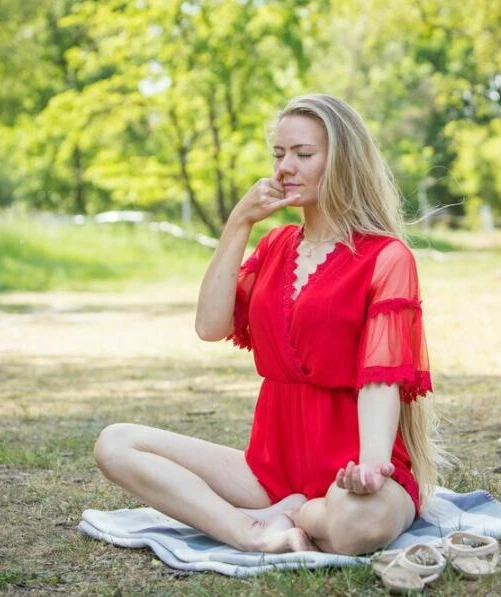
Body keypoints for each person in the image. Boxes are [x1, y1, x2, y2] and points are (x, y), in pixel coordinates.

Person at [93, 94, 443, 555]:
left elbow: (381, 379)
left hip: (353, 470)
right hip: (269, 469)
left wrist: (372, 468)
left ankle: (295, 513)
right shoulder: (275, 245)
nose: (284, 167)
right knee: (116, 443)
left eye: (303, 154)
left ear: (342, 162)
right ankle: (252, 531)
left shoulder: (386, 257)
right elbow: (209, 325)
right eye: (279, 154)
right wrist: (239, 221)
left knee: (360, 524)